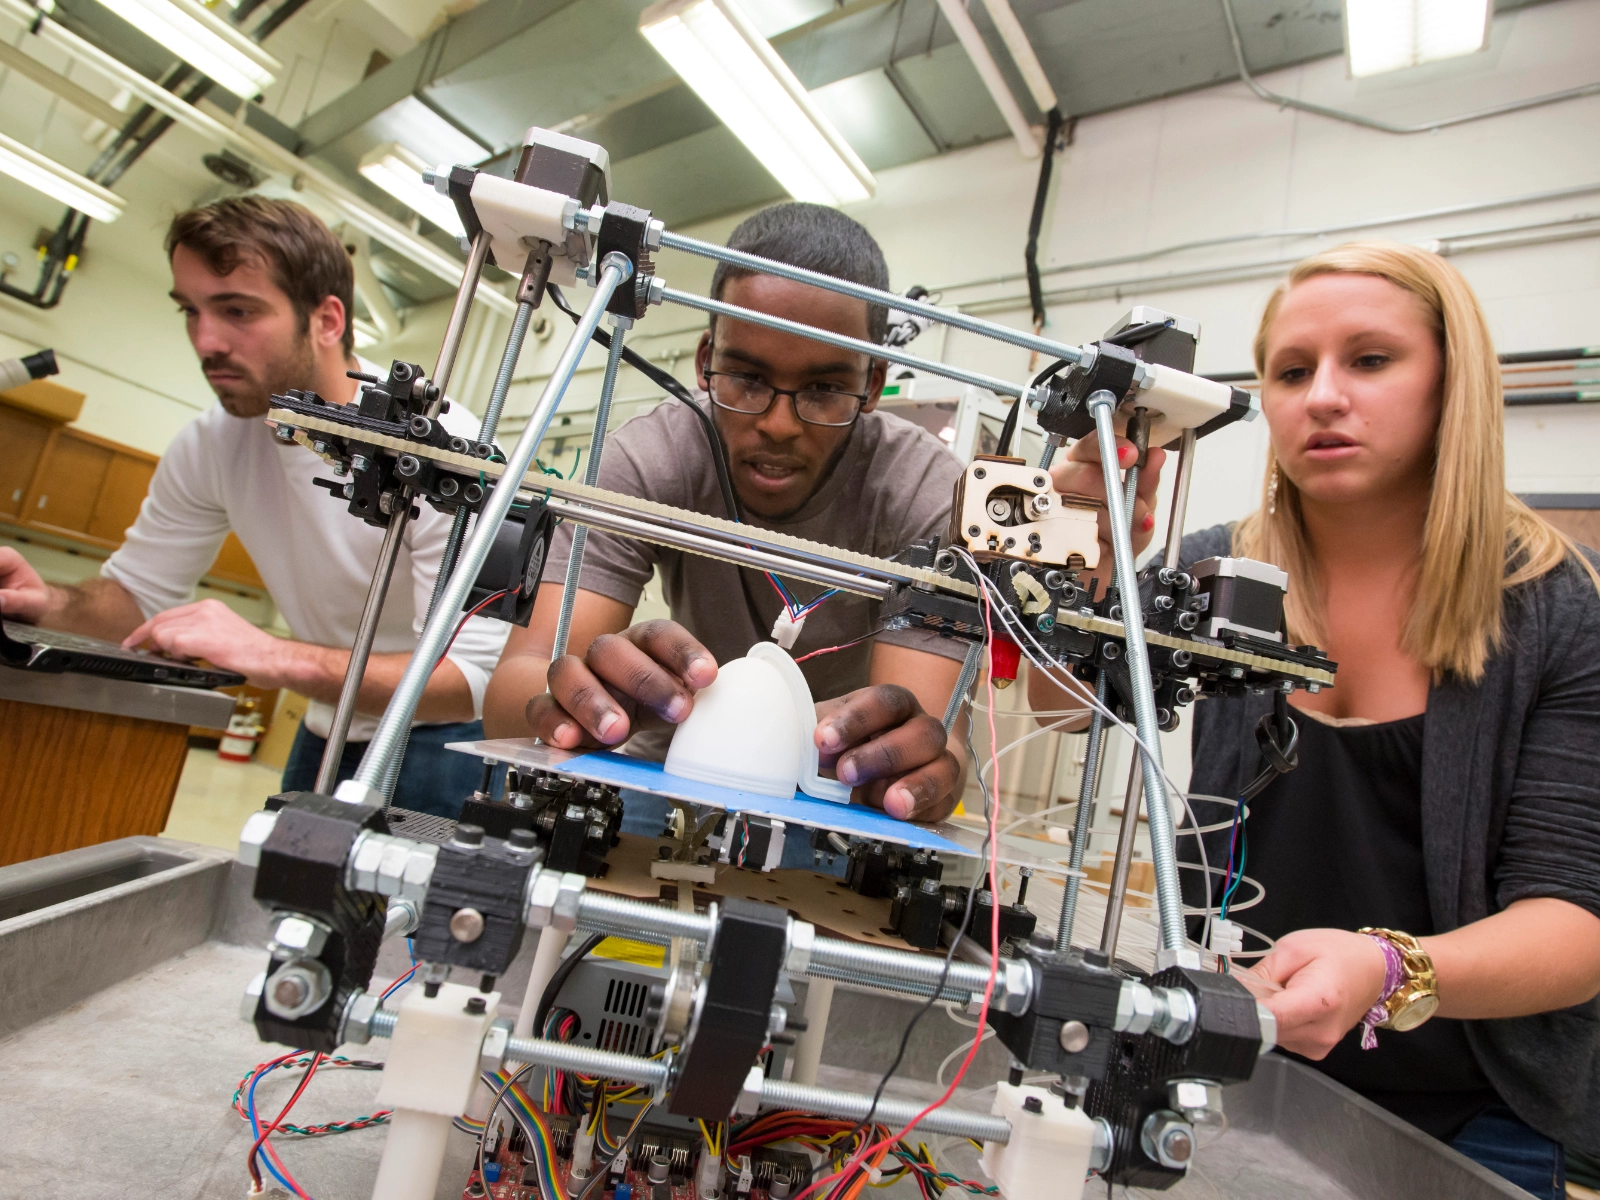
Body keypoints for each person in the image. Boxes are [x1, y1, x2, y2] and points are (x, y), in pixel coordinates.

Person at [1037, 241, 1600, 1198]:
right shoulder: (1215, 570)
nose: (1323, 397)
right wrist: (1091, 568)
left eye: (1370, 361)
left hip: (1468, 1120)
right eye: (1292, 372)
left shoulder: (1552, 609)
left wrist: (1386, 970)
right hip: (1222, 1079)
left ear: (1449, 385)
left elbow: (1575, 928)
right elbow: (1062, 715)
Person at [0, 197, 507, 817]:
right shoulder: (213, 442)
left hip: (445, 747)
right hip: (327, 729)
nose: (206, 341)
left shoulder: (438, 447)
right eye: (191, 311)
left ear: (327, 320)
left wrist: (270, 655)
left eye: (238, 311)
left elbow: (469, 683)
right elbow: (134, 596)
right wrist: (47, 603)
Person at [484, 203, 969, 829]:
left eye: (823, 389)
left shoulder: (925, 494)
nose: (778, 423)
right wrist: (580, 698)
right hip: (670, 773)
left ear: (873, 382)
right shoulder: (651, 460)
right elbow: (510, 692)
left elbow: (932, 737)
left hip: (833, 800)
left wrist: (922, 767)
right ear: (705, 360)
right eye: (745, 377)